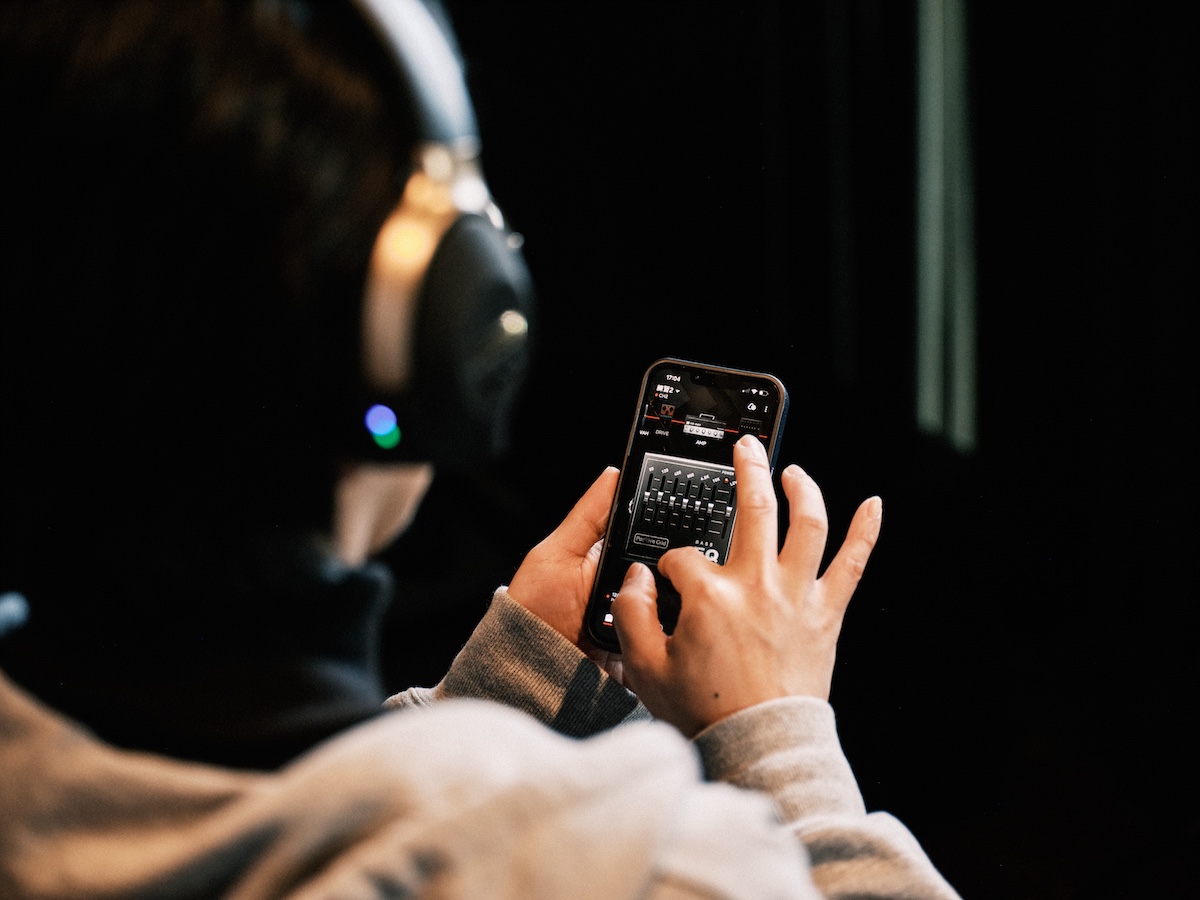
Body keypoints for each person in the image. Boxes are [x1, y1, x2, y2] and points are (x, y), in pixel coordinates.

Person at [0, 2, 962, 897]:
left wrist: (513, 686)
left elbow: (293, 797)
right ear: (430, 331)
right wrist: (775, 740)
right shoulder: (650, 865)